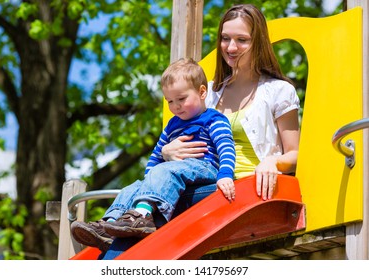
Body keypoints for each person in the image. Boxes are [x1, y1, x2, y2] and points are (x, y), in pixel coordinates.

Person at [76, 3, 300, 259]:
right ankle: (109, 230)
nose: (231, 47)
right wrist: (168, 153)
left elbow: (295, 153)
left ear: (258, 42)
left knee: (147, 206)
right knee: (139, 198)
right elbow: (176, 138)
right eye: (225, 38)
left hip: (239, 186)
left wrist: (273, 161)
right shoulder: (210, 90)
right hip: (198, 180)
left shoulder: (278, 91)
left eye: (242, 40)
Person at [71, 58, 236, 252]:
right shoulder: (172, 125)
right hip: (175, 171)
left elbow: (226, 146)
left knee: (164, 170)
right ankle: (109, 224)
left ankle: (142, 216)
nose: (176, 106)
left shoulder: (213, 119)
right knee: (133, 187)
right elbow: (157, 154)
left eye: (181, 99)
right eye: (170, 102)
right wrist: (148, 181)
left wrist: (225, 174)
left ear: (201, 92)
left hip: (204, 168)